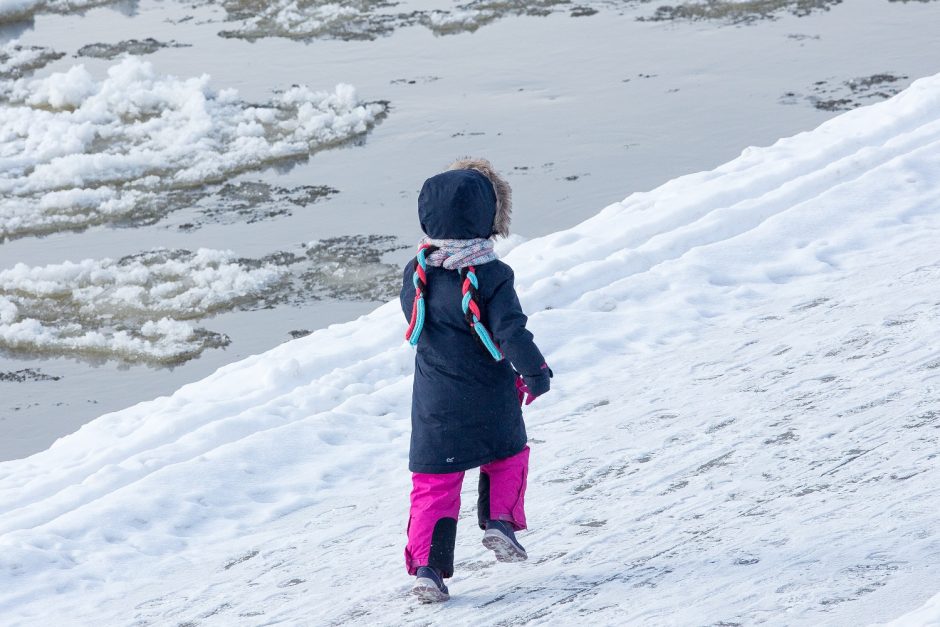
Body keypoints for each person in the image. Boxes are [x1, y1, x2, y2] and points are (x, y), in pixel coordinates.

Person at [399, 158, 552, 603]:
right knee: (508, 455)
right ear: (489, 219)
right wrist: (535, 372)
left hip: (433, 401)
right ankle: (500, 522)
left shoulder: (417, 271)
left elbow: (417, 322)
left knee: (435, 485)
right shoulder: (492, 274)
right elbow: (511, 332)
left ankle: (429, 569)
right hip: (488, 393)